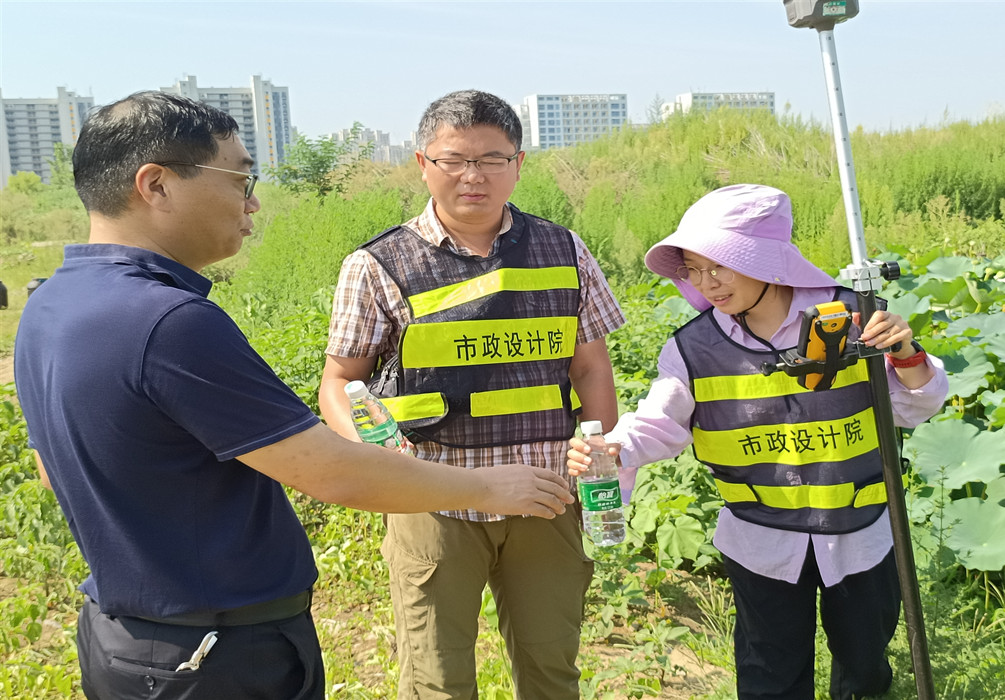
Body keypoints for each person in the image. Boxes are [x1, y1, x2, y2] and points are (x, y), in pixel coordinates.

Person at [13, 91, 573, 700]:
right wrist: (493, 486)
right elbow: (331, 474)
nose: (251, 202)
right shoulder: (170, 323)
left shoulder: (49, 305)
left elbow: (53, 470)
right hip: (213, 654)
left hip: (124, 640)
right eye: (240, 179)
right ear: (156, 185)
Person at [567, 184, 949, 700]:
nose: (708, 283)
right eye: (695, 270)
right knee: (770, 679)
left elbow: (915, 407)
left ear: (768, 262)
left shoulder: (851, 318)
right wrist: (616, 447)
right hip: (760, 543)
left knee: (864, 674)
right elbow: (660, 420)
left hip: (861, 536)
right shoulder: (692, 348)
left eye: (719, 265)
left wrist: (906, 354)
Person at [318, 89, 624, 699]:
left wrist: (601, 454)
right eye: (453, 159)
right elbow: (337, 383)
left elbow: (591, 369)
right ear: (422, 164)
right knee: (437, 676)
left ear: (518, 164)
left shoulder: (564, 250)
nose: (473, 176)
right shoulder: (379, 264)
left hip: (547, 495)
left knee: (551, 668)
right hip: (433, 497)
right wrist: (380, 458)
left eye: (492, 158)